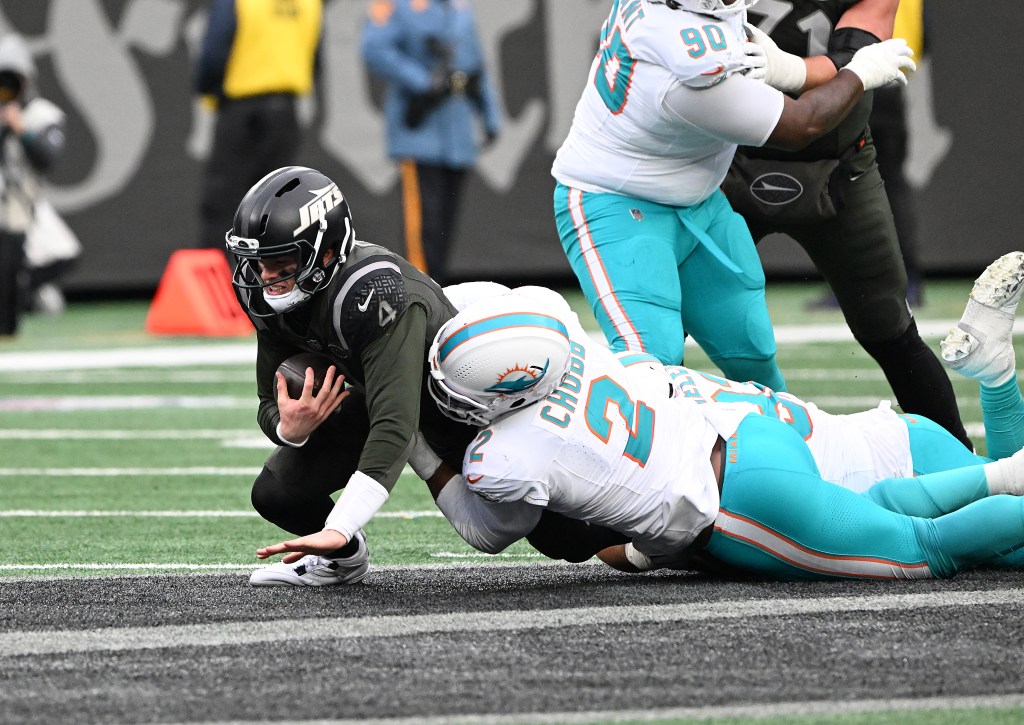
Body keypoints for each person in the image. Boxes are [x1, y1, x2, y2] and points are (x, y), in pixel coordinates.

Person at [258, 252, 1024, 578]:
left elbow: (488, 532)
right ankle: (1000, 457)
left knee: (930, 550)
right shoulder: (564, 337)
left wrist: (426, 447)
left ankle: (1006, 471)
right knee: (906, 505)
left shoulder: (508, 454)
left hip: (738, 502)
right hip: (750, 431)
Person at [229, 166, 625, 586]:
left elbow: (395, 426)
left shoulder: (371, 291)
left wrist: (338, 524)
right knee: (276, 494)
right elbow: (268, 401)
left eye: (281, 262)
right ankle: (344, 561)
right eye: (257, 263)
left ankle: (678, 537)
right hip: (379, 394)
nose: (266, 278)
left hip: (462, 406)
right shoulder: (263, 291)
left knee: (570, 538)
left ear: (326, 252)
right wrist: (291, 429)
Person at [551, 0, 915, 394]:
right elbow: (802, 124)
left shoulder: (680, 11)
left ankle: (781, 450)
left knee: (751, 351)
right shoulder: (688, 60)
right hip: (618, 204)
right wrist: (858, 72)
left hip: (701, 203)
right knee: (651, 365)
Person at [721, 0, 970, 450]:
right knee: (662, 331)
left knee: (890, 331)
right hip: (720, 161)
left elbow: (856, 58)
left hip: (837, 165)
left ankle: (964, 471)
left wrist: (790, 71)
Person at [361, 0, 502, 286]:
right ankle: (421, 295)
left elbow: (474, 62)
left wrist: (489, 114)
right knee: (424, 228)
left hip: (458, 135)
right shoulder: (397, 5)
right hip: (421, 133)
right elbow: (374, 48)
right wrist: (423, 80)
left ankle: (437, 292)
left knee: (444, 228)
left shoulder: (460, 7)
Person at [194, 0, 322, 250]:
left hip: (242, 109)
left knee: (225, 201)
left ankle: (221, 281)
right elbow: (315, 57)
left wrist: (207, 88)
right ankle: (275, 281)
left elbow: (215, 51)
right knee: (277, 206)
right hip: (286, 110)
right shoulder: (310, 3)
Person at [0, 33, 69, 337]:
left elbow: (48, 156)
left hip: (25, 203)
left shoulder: (42, 113)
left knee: (61, 252)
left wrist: (21, 129)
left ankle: (27, 294)